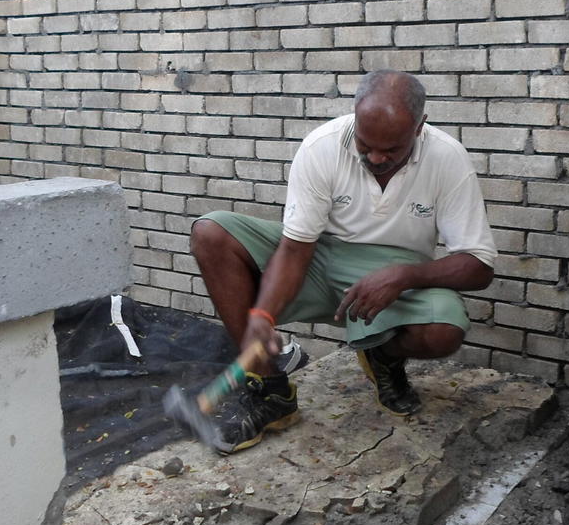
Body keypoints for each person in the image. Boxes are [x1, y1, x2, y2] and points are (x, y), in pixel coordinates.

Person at [190, 70, 497, 453]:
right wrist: (263, 316)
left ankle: (382, 355)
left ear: (420, 128)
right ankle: (270, 391)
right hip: (318, 258)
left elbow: (479, 265)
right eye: (366, 146)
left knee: (444, 330)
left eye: (391, 150)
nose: (375, 158)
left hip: (395, 274)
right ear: (355, 118)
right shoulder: (323, 146)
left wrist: (404, 276)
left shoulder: (447, 158)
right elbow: (296, 248)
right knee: (212, 233)